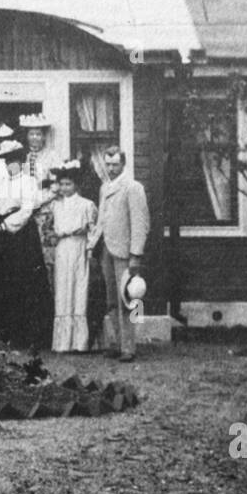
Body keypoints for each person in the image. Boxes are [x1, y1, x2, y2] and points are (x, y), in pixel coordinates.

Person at [0, 139, 52, 348]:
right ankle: (8, 332)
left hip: (21, 236)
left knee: (26, 282)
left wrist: (5, 226)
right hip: (4, 237)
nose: (9, 165)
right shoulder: (4, 182)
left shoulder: (28, 182)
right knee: (6, 282)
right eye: (6, 162)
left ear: (21, 162)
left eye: (13, 161)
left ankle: (29, 335)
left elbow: (26, 210)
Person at [91, 146, 149, 363]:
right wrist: (93, 244)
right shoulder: (105, 187)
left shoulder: (133, 188)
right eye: (108, 164)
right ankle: (116, 343)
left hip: (125, 251)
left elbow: (140, 223)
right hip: (106, 248)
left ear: (123, 164)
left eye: (115, 164)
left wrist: (136, 254)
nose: (111, 168)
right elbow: (101, 220)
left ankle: (129, 347)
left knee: (129, 299)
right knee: (111, 299)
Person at [48, 160, 99, 352]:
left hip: (79, 246)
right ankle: (62, 342)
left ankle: (80, 342)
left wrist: (90, 249)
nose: (64, 188)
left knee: (80, 288)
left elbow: (93, 230)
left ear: (76, 185)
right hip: (62, 248)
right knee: (63, 288)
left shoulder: (87, 205)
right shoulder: (55, 205)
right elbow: (49, 229)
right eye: (61, 184)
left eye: (68, 184)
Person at [18, 114, 62, 283]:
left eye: (38, 134)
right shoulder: (24, 157)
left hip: (45, 212)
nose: (35, 138)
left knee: (47, 256)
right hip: (27, 212)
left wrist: (40, 200)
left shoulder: (52, 156)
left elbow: (56, 186)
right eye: (31, 134)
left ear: (43, 136)